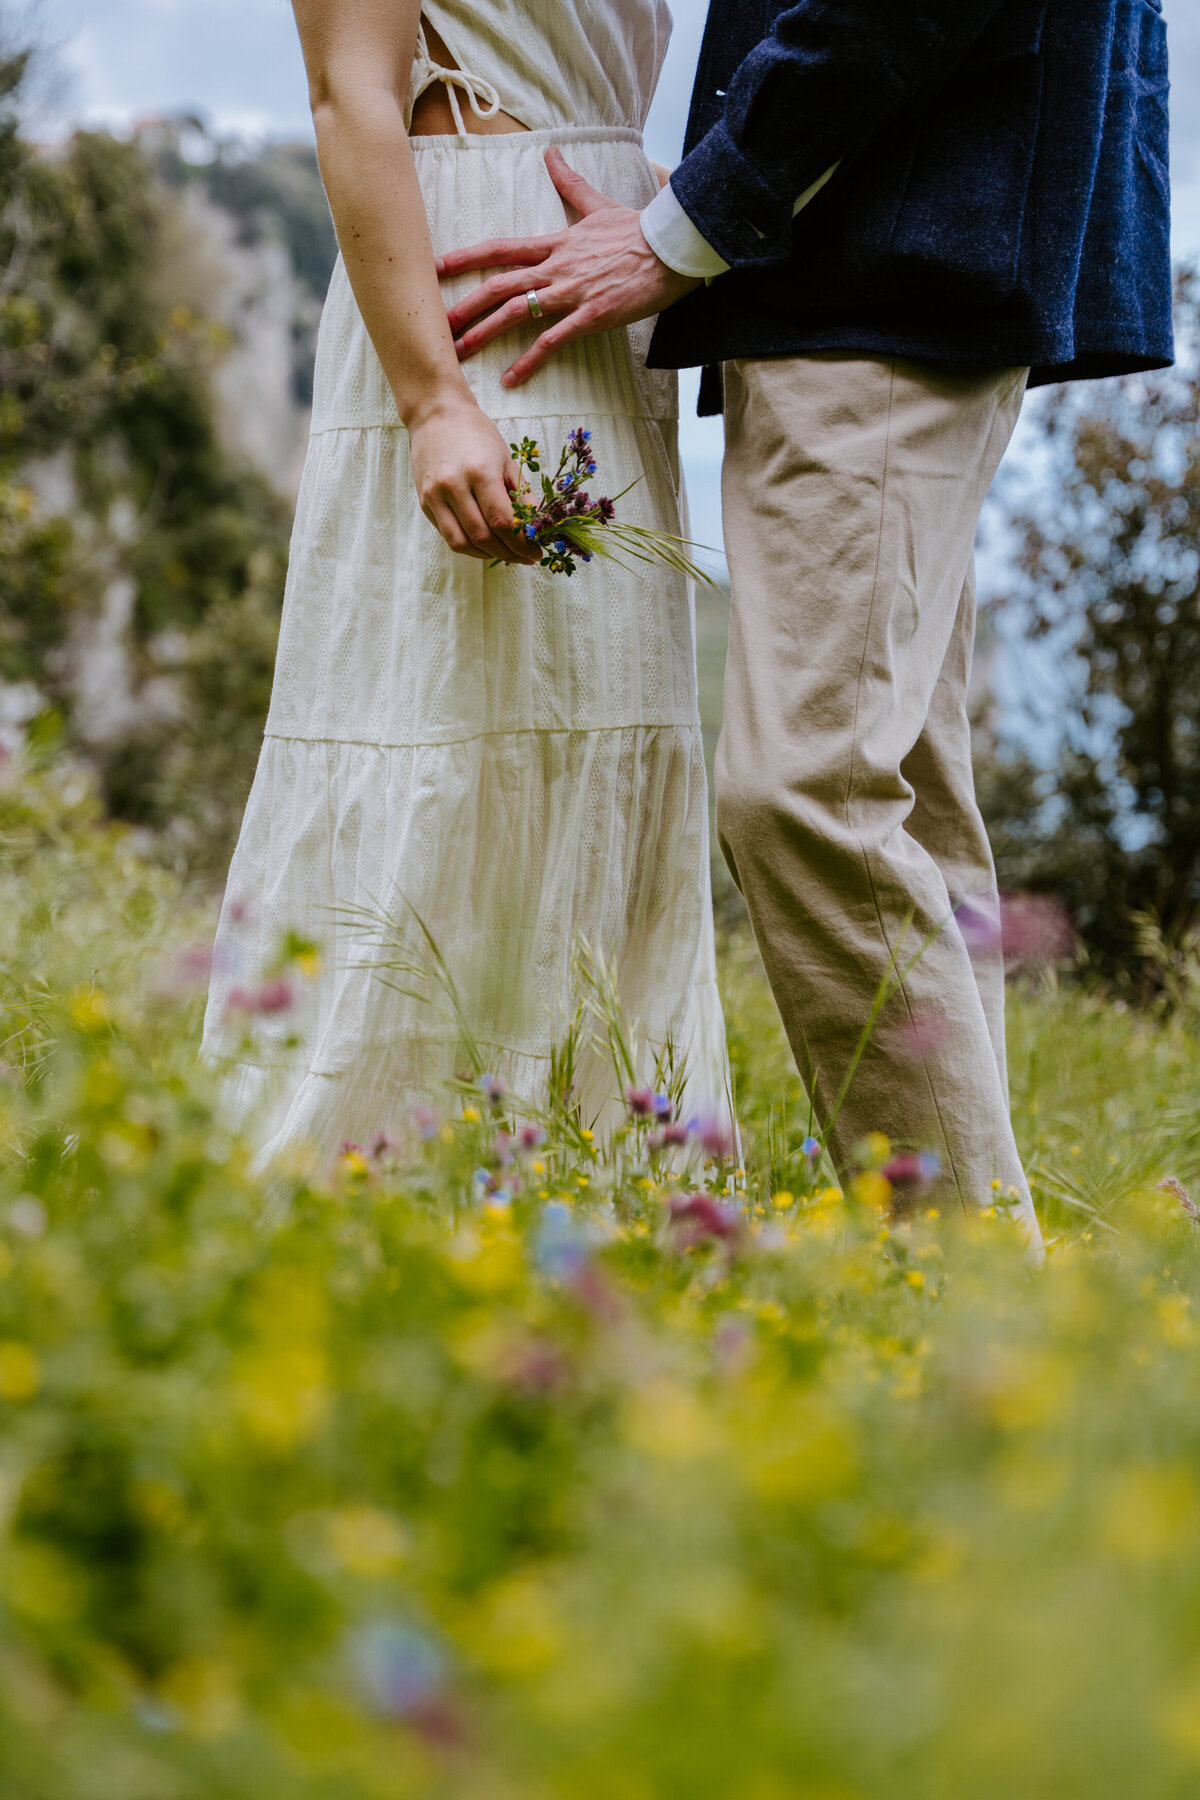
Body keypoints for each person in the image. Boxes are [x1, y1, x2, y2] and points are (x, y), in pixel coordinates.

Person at [439, 0, 1173, 1232]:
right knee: (906, 807)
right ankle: (990, 1302)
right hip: (898, 243)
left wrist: (701, 216)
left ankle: (963, 1291)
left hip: (887, 256)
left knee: (811, 790)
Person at [203, 0, 732, 1160]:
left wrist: (667, 227)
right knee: (446, 738)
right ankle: (365, 1177)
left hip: (595, 289)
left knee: (599, 736)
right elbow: (353, 96)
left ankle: (590, 1175)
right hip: (464, 298)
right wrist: (433, 402)